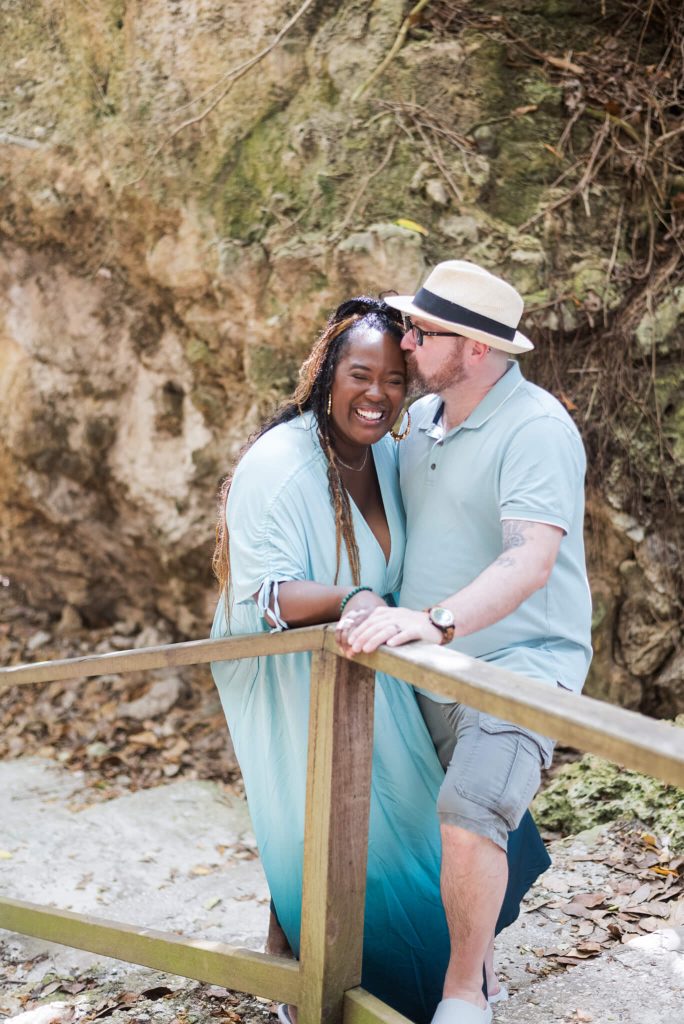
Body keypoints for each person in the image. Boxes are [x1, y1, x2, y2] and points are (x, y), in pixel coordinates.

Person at [210, 295, 551, 1024]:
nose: (378, 393)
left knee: (405, 817)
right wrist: (353, 596)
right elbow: (264, 594)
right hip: (287, 662)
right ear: (325, 374)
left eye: (396, 379)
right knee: (318, 820)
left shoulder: (391, 455)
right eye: (360, 375)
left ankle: (432, 970)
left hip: (368, 658)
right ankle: (309, 977)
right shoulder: (280, 462)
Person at [340, 261, 592, 1024]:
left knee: (471, 805)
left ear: (476, 349)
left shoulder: (537, 429)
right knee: (424, 819)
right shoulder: (421, 420)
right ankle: (471, 967)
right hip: (424, 669)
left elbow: (530, 560)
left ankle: (463, 998)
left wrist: (436, 619)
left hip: (519, 666)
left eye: (422, 332)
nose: (406, 343)